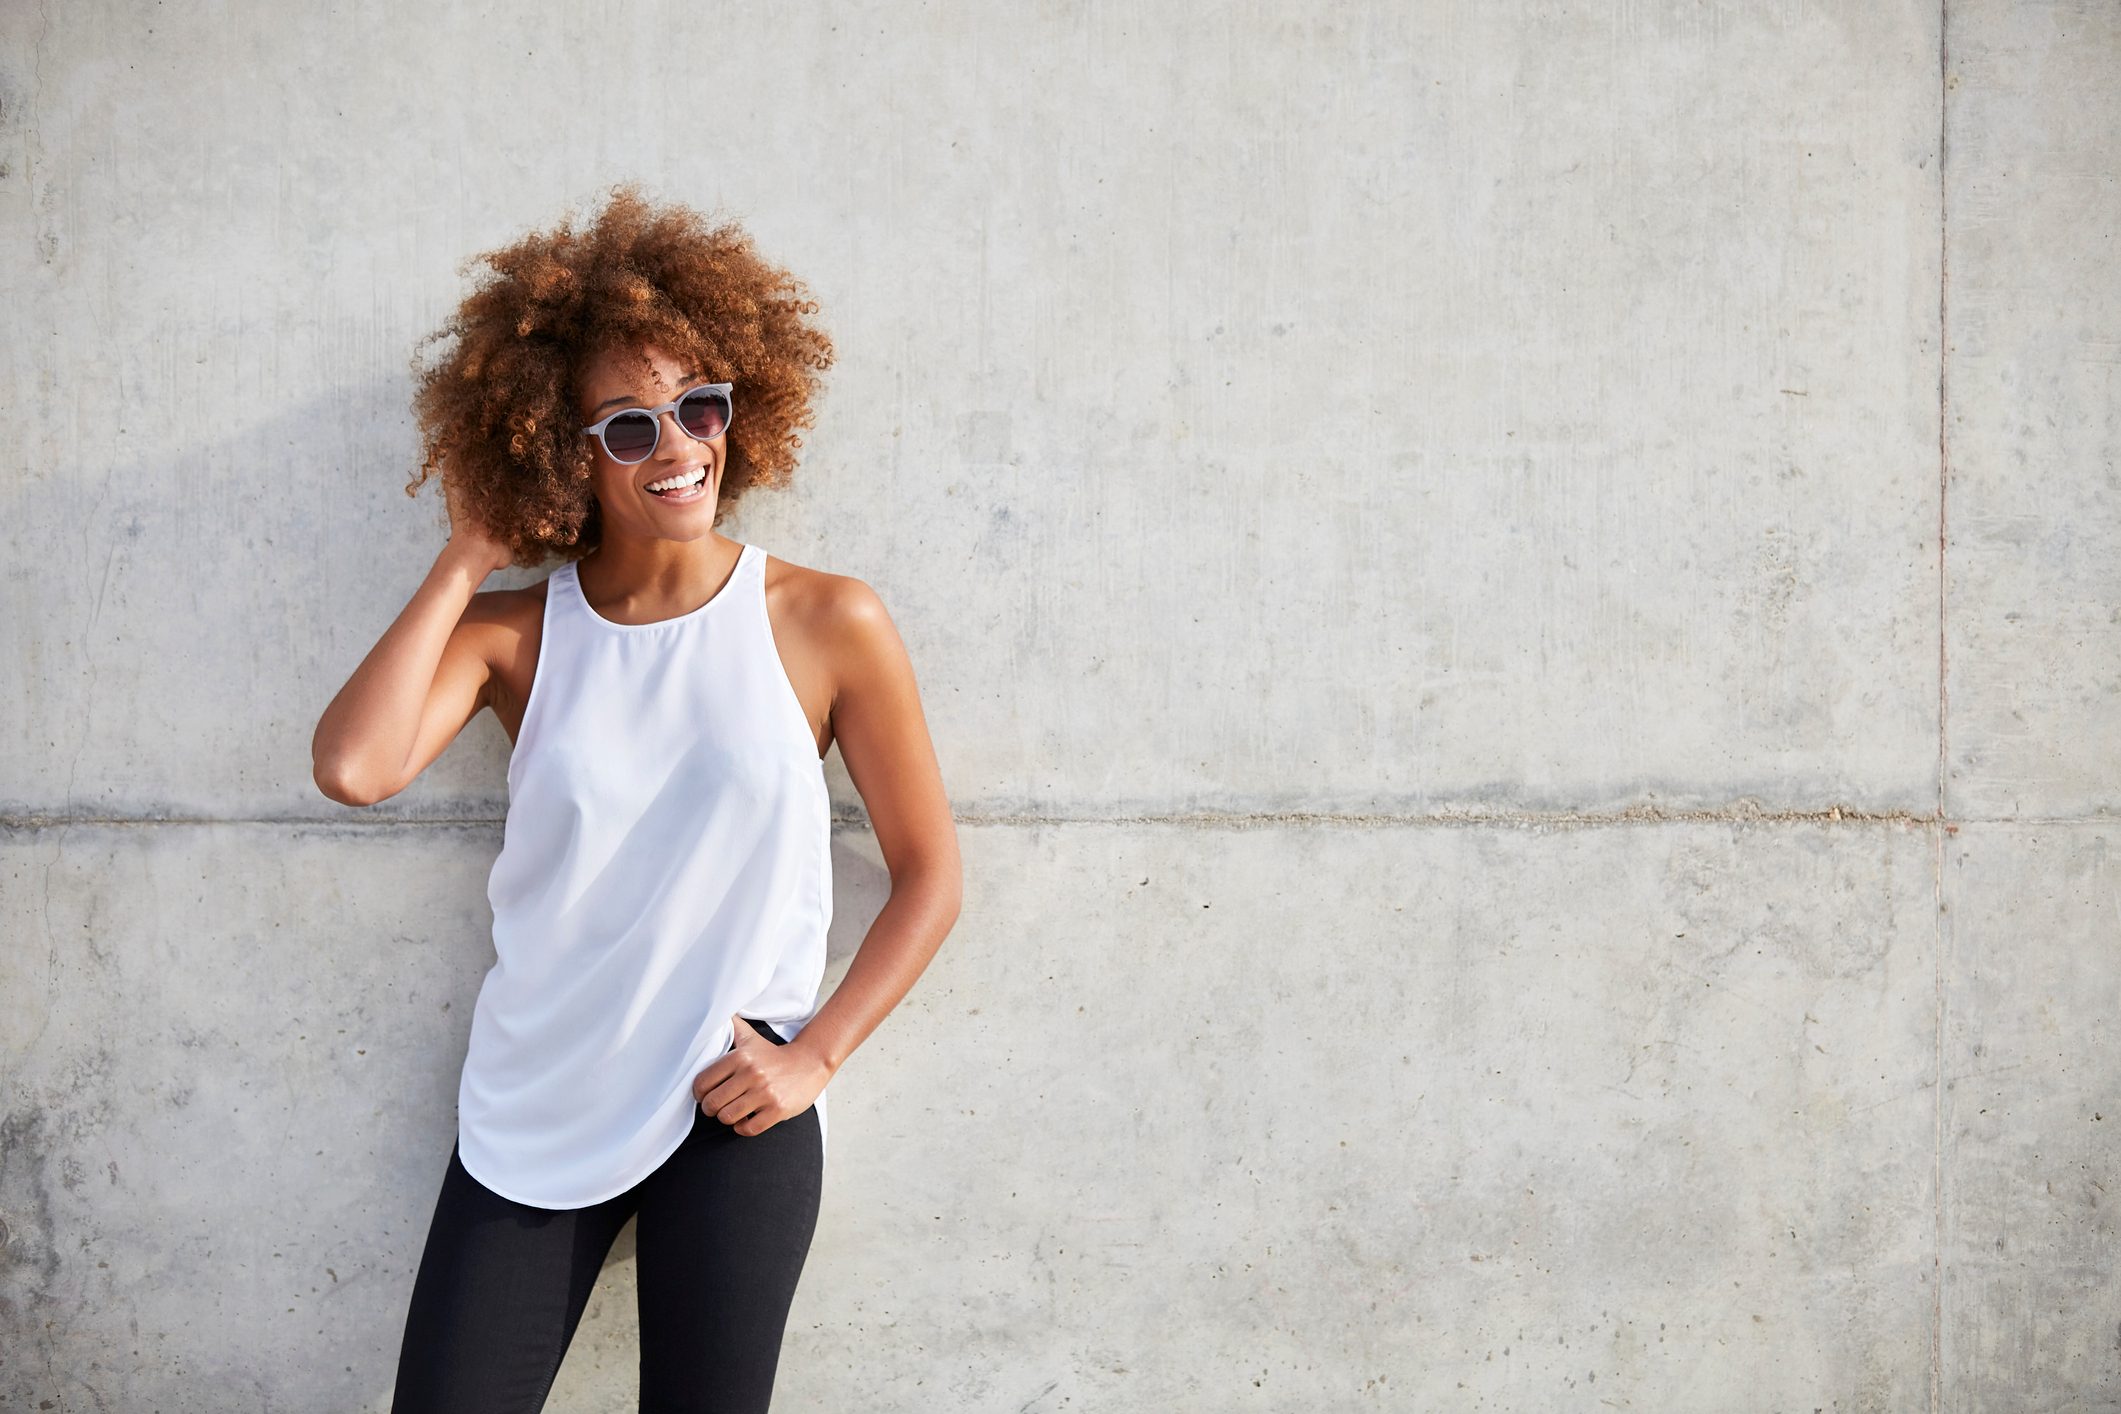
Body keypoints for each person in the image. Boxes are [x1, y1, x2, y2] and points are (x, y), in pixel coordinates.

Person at [310, 183, 962, 1412]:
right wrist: (464, 552)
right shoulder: (516, 636)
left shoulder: (827, 621)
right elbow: (354, 767)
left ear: (738, 410)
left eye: (698, 408)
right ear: (563, 452)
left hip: (732, 1116)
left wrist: (813, 1057)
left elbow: (930, 872)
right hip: (534, 1104)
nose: (678, 448)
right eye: (626, 428)